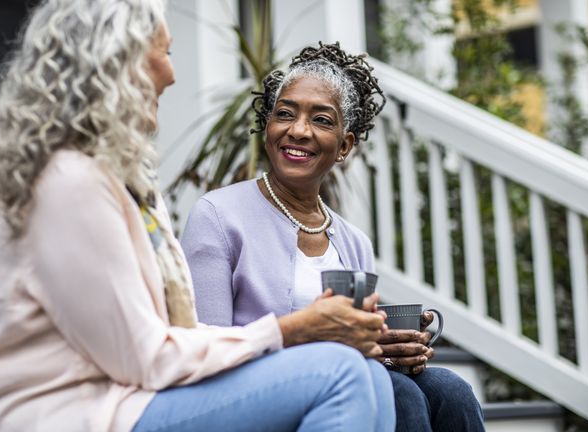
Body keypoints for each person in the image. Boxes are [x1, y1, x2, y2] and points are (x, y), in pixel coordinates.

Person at [0, 2, 396, 431]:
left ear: (346, 145)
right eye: (164, 52)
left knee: (374, 375)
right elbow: (145, 357)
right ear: (117, 61)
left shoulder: (123, 179)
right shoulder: (68, 182)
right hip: (64, 411)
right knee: (339, 372)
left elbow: (166, 338)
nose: (171, 73)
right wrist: (292, 330)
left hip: (126, 397)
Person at [181, 42, 486, 432]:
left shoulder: (354, 242)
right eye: (285, 114)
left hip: (344, 380)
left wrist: (387, 347)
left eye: (321, 120)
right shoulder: (218, 216)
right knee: (398, 393)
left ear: (344, 146)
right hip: (253, 393)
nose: (298, 130)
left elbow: (355, 348)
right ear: (267, 128)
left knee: (450, 388)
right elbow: (206, 348)